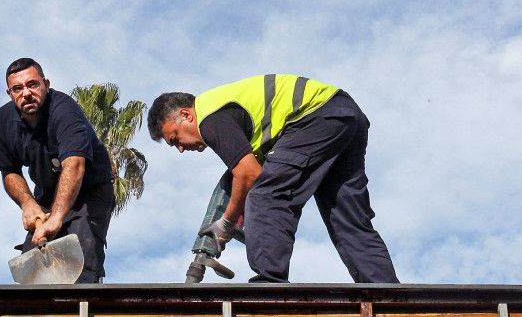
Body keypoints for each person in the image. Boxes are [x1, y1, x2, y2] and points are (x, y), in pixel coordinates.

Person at [148, 73, 398, 283]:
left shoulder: (209, 116)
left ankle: (270, 284)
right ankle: (385, 293)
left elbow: (249, 174)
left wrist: (226, 221)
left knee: (266, 196)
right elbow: (246, 173)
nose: (180, 148)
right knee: (347, 220)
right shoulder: (228, 117)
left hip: (316, 117)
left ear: (186, 115)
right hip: (344, 114)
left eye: (175, 138)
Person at [0, 57, 115, 283]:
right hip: (47, 195)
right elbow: (9, 170)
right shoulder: (3, 120)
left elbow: (74, 165)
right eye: (17, 88)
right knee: (33, 263)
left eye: (32, 84)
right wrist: (28, 203)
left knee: (79, 257)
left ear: (46, 84)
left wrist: (57, 217)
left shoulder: (64, 110)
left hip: (90, 191)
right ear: (10, 93)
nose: (26, 93)